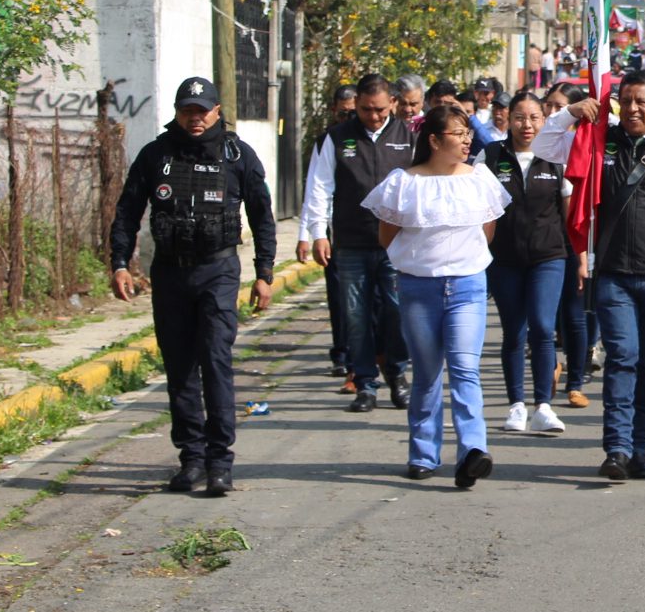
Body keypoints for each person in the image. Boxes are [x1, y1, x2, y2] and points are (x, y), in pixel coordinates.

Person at [109, 76, 276, 496]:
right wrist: (119, 264)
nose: (195, 118)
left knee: (215, 360)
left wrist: (264, 273)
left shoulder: (238, 155)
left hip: (218, 272)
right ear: (178, 112)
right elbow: (127, 211)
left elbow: (262, 215)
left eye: (202, 111)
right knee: (180, 367)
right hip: (170, 273)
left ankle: (221, 461)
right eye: (188, 110)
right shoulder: (156, 155)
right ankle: (192, 459)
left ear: (217, 111)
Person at [536, 69, 645, 480]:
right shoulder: (599, 141)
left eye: (640, 102)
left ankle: (640, 448)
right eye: (624, 101)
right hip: (613, 274)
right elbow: (544, 148)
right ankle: (616, 447)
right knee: (622, 358)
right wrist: (570, 115)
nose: (631, 109)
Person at [362, 105, 509, 488]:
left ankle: (473, 451)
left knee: (464, 369)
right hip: (418, 288)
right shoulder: (404, 183)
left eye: (467, 133)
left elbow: (486, 230)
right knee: (427, 374)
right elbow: (386, 235)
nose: (466, 140)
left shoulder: (480, 179)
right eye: (457, 134)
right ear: (433, 140)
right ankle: (423, 454)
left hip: (467, 286)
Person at [301, 73, 416, 412]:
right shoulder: (335, 138)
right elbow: (319, 186)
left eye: (380, 109)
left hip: (396, 245)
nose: (374, 116)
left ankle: (397, 374)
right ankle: (365, 383)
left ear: (392, 104)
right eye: (366, 110)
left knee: (397, 313)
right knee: (355, 315)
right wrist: (317, 232)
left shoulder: (409, 137)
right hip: (350, 243)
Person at [482, 93, 571, 437]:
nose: (527, 125)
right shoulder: (490, 156)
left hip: (548, 257)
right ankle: (516, 405)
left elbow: (568, 213)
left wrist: (577, 258)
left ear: (544, 119)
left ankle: (543, 407)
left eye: (534, 117)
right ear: (508, 119)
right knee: (514, 332)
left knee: (542, 327)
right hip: (505, 259)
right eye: (519, 117)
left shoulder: (556, 156)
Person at [301, 85, 358, 378]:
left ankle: (367, 357)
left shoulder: (371, 137)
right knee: (339, 298)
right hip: (336, 234)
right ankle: (343, 354)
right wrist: (309, 233)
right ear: (334, 110)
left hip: (370, 235)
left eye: (353, 111)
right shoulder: (328, 140)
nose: (348, 116)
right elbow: (315, 186)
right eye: (343, 111)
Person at [545, 84, 596, 408]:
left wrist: (580, 257)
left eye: (561, 107)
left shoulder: (582, 145)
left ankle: (575, 382)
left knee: (576, 319)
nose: (553, 113)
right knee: (543, 320)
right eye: (548, 106)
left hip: (575, 246)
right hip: (541, 247)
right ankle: (548, 368)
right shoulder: (541, 147)